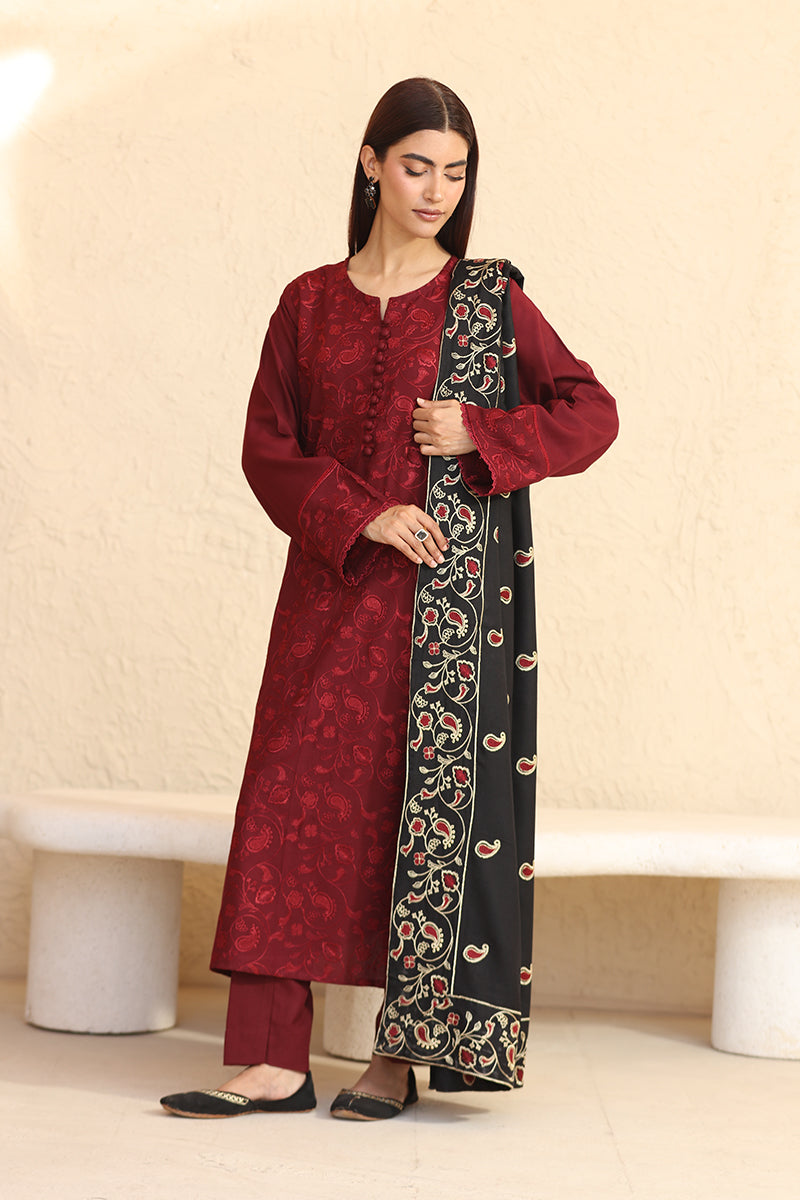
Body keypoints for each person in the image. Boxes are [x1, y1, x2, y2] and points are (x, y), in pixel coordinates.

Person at [160, 77, 618, 1122]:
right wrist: (358, 514)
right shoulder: (307, 301)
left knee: (417, 817)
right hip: (329, 593)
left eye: (454, 174)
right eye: (416, 166)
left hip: (440, 615)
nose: (435, 191)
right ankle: (272, 1061)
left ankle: (396, 1057)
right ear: (369, 162)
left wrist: (480, 433)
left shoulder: (486, 300)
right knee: (284, 805)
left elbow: (589, 411)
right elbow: (267, 446)